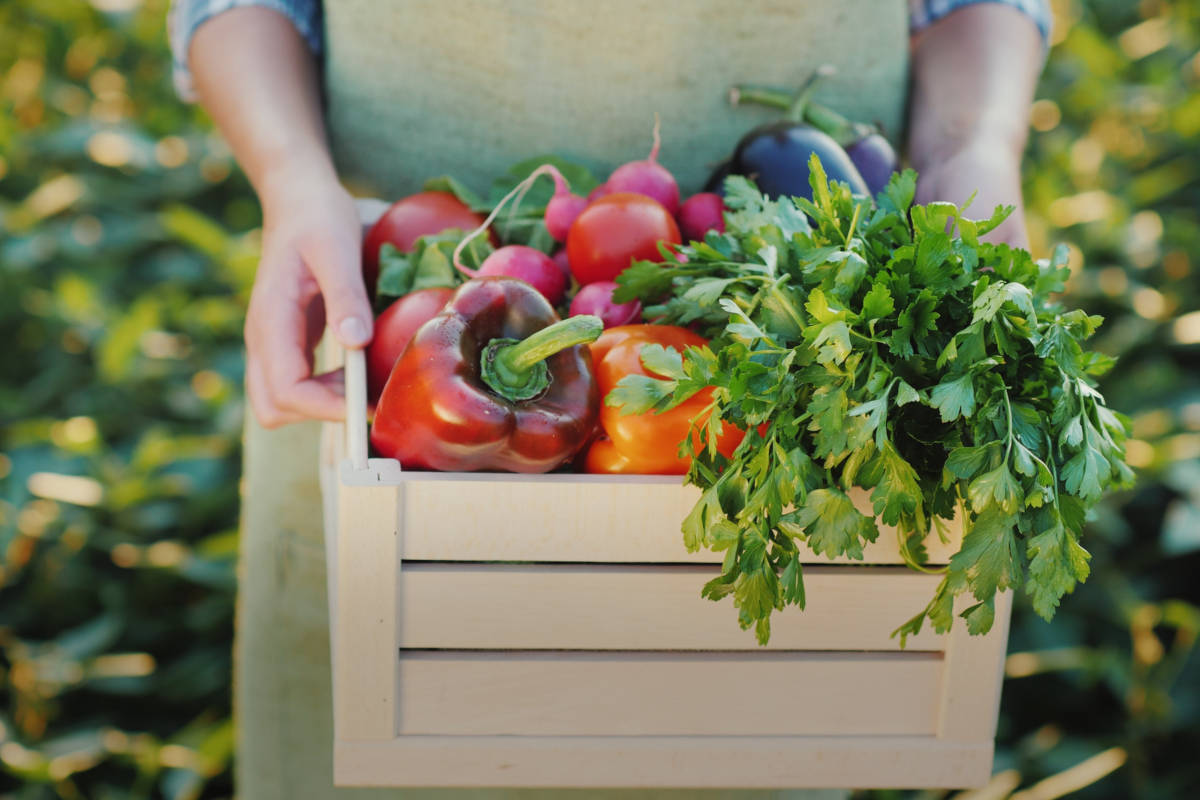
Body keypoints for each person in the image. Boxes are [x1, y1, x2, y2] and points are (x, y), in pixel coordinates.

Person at [169, 2, 1051, 797]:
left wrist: (973, 149)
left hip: (806, 299)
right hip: (378, 313)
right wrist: (292, 180)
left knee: (760, 729)